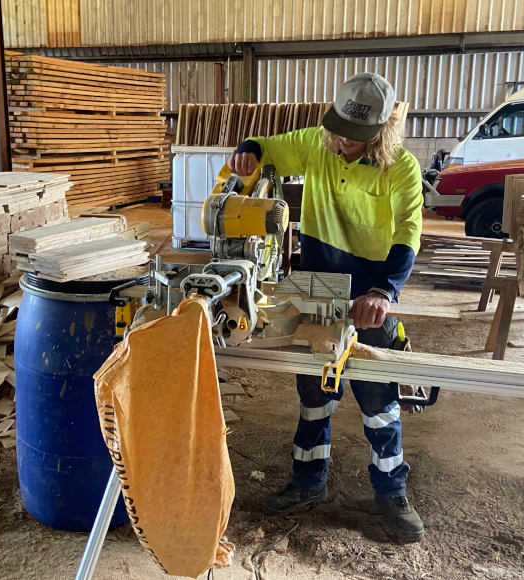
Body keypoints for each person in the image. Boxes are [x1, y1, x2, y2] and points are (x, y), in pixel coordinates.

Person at [228, 72, 425, 543]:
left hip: (371, 295)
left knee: (379, 401)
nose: (341, 142)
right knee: (315, 395)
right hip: (319, 287)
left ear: (380, 131)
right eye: (337, 130)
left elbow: (408, 233)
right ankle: (307, 483)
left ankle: (391, 492)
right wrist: (248, 149)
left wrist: (383, 292)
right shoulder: (316, 144)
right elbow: (267, 148)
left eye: (353, 136)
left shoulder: (401, 167)